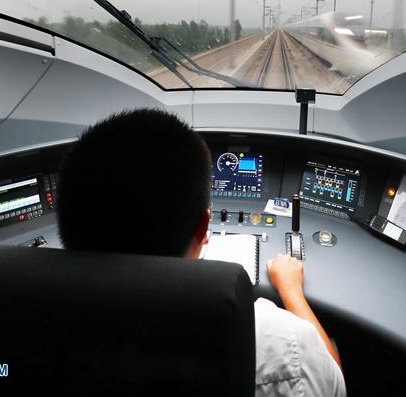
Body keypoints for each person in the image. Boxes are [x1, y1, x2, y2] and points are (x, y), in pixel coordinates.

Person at [57, 108, 346, 396]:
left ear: (67, 217)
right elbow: (333, 381)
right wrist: (291, 289)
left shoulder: (38, 324)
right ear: (204, 227)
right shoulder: (277, 339)